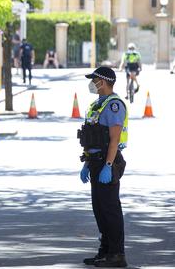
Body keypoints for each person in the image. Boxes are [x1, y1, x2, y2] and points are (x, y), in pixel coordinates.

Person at [78, 67, 128, 268]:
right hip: (96, 161)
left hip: (108, 161)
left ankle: (117, 254)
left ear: (105, 81)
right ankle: (105, 250)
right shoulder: (96, 105)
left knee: (110, 209)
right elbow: (92, 138)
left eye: (95, 80)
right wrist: (88, 164)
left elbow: (114, 140)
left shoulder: (114, 105)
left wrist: (108, 165)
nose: (92, 83)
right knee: (99, 209)